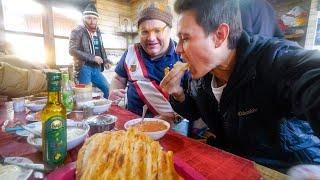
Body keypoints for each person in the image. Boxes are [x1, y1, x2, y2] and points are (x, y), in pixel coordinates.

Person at [160, 0, 320, 171]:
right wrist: (178, 93)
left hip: (286, 169)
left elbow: (311, 78)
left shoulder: (275, 60)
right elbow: (193, 112)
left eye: (185, 38)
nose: (177, 50)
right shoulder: (201, 74)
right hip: (234, 163)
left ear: (220, 34)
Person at [108, 2, 183, 118]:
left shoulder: (182, 55)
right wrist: (114, 92)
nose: (151, 38)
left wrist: (175, 118)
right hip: (134, 120)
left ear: (169, 31)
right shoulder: (131, 52)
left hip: (174, 124)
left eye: (157, 30)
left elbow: (193, 101)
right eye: (145, 32)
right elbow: (118, 79)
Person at [69, 3, 111, 98]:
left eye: (94, 18)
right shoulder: (78, 30)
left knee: (108, 89)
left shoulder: (97, 31)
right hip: (84, 68)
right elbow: (72, 50)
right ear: (84, 18)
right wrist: (93, 58)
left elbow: (101, 47)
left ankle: (103, 110)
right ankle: (86, 112)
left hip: (96, 68)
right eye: (89, 18)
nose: (92, 21)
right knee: (84, 96)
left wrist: (105, 61)